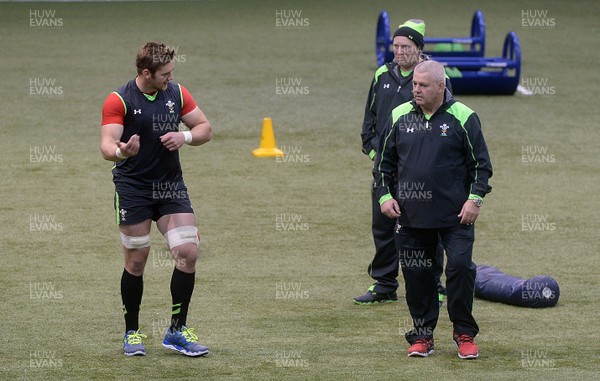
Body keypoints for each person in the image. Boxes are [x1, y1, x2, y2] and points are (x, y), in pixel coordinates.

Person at [373, 60, 492, 359]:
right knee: (417, 275)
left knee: (460, 268)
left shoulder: (463, 117)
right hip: (411, 217)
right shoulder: (399, 116)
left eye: (423, 85)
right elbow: (383, 167)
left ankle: (464, 332)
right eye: (414, 84)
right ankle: (423, 335)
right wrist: (385, 197)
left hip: (456, 216)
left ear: (441, 86)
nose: (416, 90)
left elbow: (481, 166)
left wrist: (474, 199)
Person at [100, 42, 212, 357]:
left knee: (187, 252)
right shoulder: (118, 100)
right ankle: (132, 332)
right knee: (136, 261)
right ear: (146, 72)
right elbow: (107, 145)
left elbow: (205, 128)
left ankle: (177, 330)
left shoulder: (176, 93)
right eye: (165, 74)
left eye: (171, 72)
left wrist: (185, 136)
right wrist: (123, 151)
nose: (170, 78)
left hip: (170, 187)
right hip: (133, 188)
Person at [356, 20, 447, 305]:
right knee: (383, 227)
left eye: (405, 47)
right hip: (385, 170)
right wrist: (378, 157)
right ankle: (384, 284)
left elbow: (444, 122)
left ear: (419, 48)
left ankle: (434, 285)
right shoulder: (382, 74)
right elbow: (368, 125)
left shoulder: (431, 78)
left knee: (427, 228)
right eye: (396, 46)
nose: (399, 52)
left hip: (418, 171)